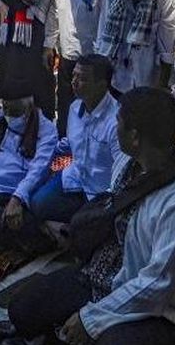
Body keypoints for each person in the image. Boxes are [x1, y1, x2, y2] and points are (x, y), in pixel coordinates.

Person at [0, 87, 175, 345]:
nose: (115, 128)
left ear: (135, 137)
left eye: (120, 123)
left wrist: (92, 319)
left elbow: (159, 285)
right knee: (22, 310)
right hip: (100, 276)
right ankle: (65, 337)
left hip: (156, 309)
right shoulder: (129, 165)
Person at [32, 54, 120, 223]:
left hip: (101, 193)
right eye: (74, 76)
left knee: (85, 227)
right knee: (37, 204)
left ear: (102, 85)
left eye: (83, 79)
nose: (74, 82)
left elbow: (122, 174)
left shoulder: (116, 123)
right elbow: (71, 144)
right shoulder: (74, 108)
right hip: (76, 178)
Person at [0, 90, 59, 253]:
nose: (8, 114)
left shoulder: (47, 130)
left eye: (14, 111)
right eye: (5, 107)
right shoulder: (0, 116)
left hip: (12, 192)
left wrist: (17, 199)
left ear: (29, 103)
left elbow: (37, 171)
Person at [51, 0, 115, 136]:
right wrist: (50, 44)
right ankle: (64, 142)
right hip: (67, 53)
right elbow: (54, 12)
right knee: (65, 102)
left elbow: (108, 29)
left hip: (92, 58)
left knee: (91, 105)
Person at [94, 0, 175, 95]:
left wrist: (161, 87)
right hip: (117, 78)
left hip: (148, 78)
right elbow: (102, 36)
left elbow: (167, 48)